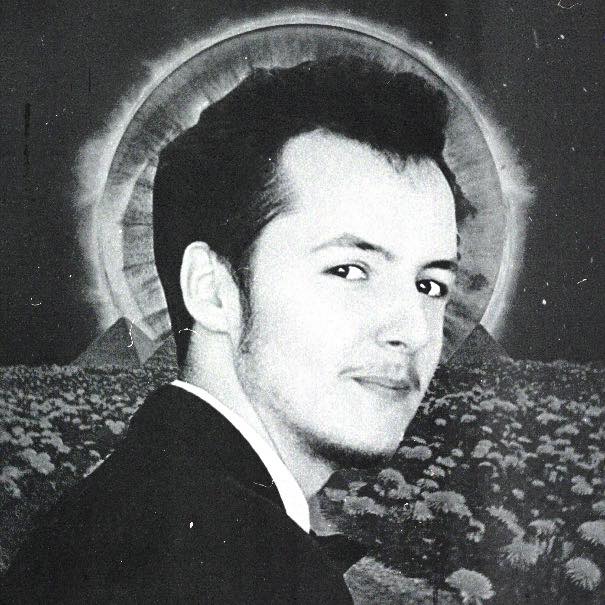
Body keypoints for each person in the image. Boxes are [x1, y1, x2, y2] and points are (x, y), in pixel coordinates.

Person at [1, 56, 473, 603]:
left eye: (430, 285)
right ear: (211, 290)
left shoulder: (125, 514)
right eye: (349, 270)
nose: (414, 330)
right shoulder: (252, 569)